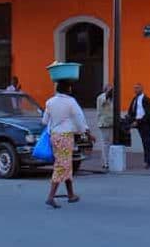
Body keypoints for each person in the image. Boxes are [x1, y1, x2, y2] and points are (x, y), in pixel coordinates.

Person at [42, 80, 95, 209]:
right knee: (62, 165)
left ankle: (71, 194)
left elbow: (44, 121)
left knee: (65, 163)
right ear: (68, 89)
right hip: (65, 136)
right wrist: (88, 134)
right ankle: (50, 196)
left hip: (54, 136)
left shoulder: (50, 102)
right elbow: (80, 120)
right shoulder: (71, 102)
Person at [127, 83, 150, 169]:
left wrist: (139, 121)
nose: (135, 90)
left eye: (137, 88)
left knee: (147, 142)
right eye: (134, 88)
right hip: (137, 122)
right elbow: (131, 110)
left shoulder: (146, 99)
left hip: (144, 123)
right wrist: (130, 120)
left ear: (142, 89)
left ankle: (149, 161)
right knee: (144, 142)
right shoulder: (134, 99)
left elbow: (148, 114)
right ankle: (147, 160)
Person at [95, 84, 114, 170]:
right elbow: (103, 103)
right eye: (109, 89)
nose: (111, 91)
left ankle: (111, 161)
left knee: (111, 143)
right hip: (104, 123)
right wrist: (108, 94)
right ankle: (105, 162)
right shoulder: (101, 97)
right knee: (105, 144)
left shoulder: (113, 98)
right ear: (105, 90)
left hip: (112, 123)